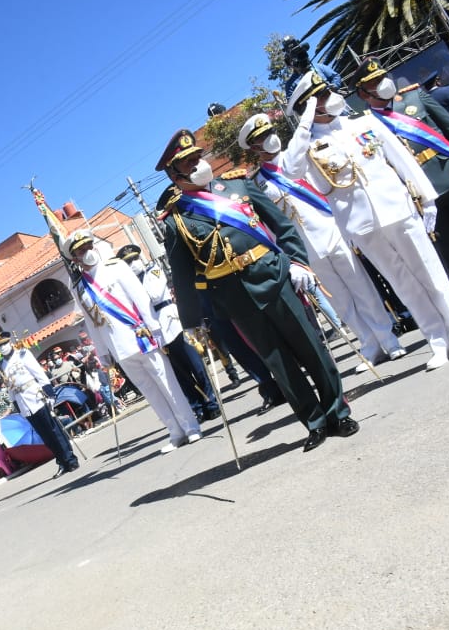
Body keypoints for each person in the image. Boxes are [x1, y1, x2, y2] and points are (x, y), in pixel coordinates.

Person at [155, 127, 357, 451]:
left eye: (197, 157)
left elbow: (282, 225)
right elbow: (183, 276)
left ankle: (338, 413)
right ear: (174, 175)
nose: (197, 164)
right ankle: (315, 422)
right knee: (279, 363)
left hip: (274, 278)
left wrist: (298, 262)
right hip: (236, 298)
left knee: (311, 348)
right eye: (188, 162)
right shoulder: (175, 220)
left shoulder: (237, 185)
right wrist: (192, 321)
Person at [284, 71, 449, 372]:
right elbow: (291, 170)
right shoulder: (307, 145)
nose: (331, 97)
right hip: (361, 225)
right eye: (321, 96)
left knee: (430, 271)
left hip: (397, 209)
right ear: (308, 107)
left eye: (327, 92)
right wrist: (305, 122)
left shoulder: (362, 122)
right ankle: (437, 339)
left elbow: (402, 158)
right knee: (402, 282)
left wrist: (427, 198)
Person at [236, 111, 406, 370]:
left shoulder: (303, 157)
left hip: (332, 230)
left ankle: (388, 339)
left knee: (362, 288)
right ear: (254, 148)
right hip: (305, 248)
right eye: (262, 138)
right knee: (340, 299)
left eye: (270, 133)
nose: (270, 139)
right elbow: (270, 225)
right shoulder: (258, 183)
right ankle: (369, 345)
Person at [352, 56, 449, 322]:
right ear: (363, 94)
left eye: (382, 77)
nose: (383, 83)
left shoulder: (415, 98)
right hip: (419, 195)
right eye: (375, 82)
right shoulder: (367, 125)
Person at [63, 228, 202, 452]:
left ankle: (191, 426)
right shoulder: (79, 288)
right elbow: (92, 322)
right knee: (150, 392)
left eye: (89, 246)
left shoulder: (115, 267)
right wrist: (103, 353)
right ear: (75, 258)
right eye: (81, 250)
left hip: (140, 336)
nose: (87, 252)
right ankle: (175, 431)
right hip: (118, 347)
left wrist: (155, 328)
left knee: (167, 384)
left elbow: (140, 298)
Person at [115, 244, 222, 421]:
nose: (133, 264)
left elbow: (155, 294)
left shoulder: (153, 271)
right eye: (129, 262)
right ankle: (197, 407)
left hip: (173, 324)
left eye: (134, 259)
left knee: (196, 366)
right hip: (157, 332)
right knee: (180, 374)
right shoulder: (128, 283)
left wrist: (136, 290)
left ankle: (211, 403)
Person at [0, 331, 80, 476]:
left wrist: (50, 394)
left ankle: (70, 459)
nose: (2, 348)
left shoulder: (22, 354)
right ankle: (61, 461)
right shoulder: (2, 365)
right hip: (23, 403)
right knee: (44, 436)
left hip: (36, 397)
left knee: (54, 431)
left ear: (10, 342)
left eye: (4, 344)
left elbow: (39, 373)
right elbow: (9, 387)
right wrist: (15, 404)